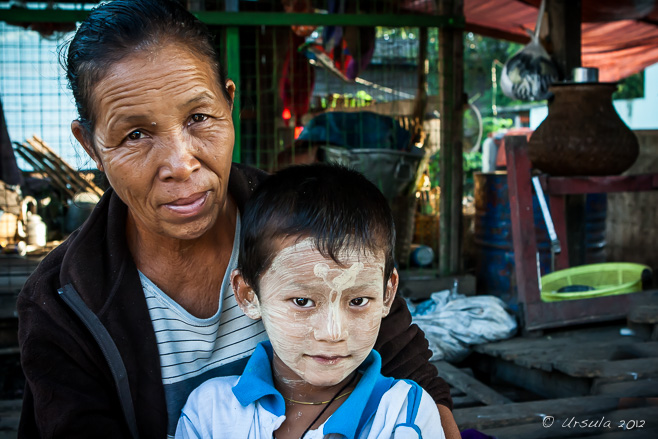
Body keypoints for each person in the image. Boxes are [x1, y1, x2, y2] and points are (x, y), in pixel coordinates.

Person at [16, 0, 459, 438]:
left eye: (199, 117)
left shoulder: (311, 223)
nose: (180, 163)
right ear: (90, 145)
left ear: (229, 104)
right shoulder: (64, 300)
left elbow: (413, 377)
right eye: (135, 134)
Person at [176, 163, 446, 439]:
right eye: (303, 301)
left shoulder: (405, 415)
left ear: (388, 294)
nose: (332, 333)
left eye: (358, 301)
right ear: (249, 296)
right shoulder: (211, 412)